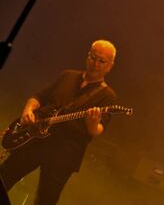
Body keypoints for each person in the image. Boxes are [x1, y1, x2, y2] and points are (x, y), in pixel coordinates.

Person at [0, 40, 117, 204]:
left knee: (46, 200)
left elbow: (95, 131)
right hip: (34, 140)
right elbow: (38, 97)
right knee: (4, 176)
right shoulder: (67, 76)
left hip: (63, 156)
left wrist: (92, 121)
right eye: (92, 57)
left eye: (101, 61)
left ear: (110, 65)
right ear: (87, 56)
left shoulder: (108, 96)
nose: (95, 63)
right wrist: (28, 111)